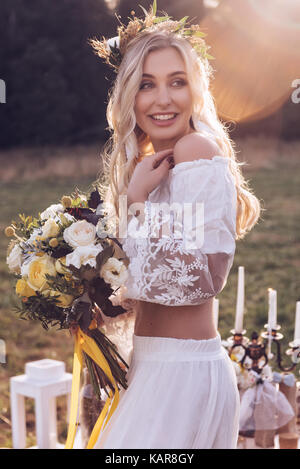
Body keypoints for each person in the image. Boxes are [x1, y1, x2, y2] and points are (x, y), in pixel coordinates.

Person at [90, 3, 261, 449]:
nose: (163, 99)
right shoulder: (147, 165)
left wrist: (139, 204)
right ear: (129, 94)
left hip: (183, 372)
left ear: (195, 91)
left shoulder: (195, 150)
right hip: (150, 367)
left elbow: (199, 281)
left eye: (177, 82)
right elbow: (148, 282)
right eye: (147, 84)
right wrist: (91, 300)